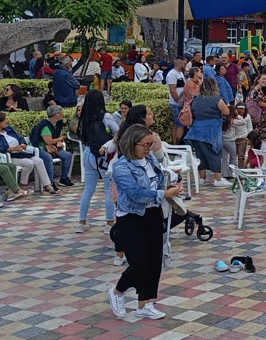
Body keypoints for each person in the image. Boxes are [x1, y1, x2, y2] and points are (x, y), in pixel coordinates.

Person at [108, 124, 184, 320]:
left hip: (152, 213)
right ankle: (118, 291)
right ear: (132, 144)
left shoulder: (150, 159)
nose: (149, 148)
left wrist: (172, 185)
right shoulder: (121, 167)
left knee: (154, 261)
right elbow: (136, 194)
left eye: (151, 144)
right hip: (131, 216)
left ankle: (145, 303)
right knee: (139, 263)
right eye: (145, 145)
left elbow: (158, 178)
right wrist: (165, 193)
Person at [0, 111, 55, 194]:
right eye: (4, 120)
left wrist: (22, 144)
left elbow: (20, 138)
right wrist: (12, 148)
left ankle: (48, 185)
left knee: (39, 161)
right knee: (29, 163)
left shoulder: (9, 129)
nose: (6, 122)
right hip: (8, 156)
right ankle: (23, 185)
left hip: (20, 153)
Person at [76, 90, 117, 233]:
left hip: (88, 153)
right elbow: (118, 133)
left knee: (88, 189)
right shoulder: (105, 116)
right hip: (102, 154)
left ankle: (81, 222)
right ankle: (109, 223)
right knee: (108, 189)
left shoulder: (84, 117)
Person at [187, 78, 231, 188]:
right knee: (214, 154)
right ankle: (218, 179)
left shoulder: (195, 99)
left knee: (200, 155)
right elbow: (226, 111)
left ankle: (202, 178)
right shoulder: (217, 99)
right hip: (212, 131)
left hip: (196, 131)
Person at [32, 105, 75, 187]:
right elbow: (48, 141)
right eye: (61, 112)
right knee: (48, 158)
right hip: (41, 148)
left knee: (67, 155)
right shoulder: (45, 125)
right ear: (57, 114)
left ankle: (64, 178)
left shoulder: (58, 124)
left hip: (54, 147)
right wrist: (60, 139)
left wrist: (59, 141)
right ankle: (50, 182)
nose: (63, 114)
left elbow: (56, 136)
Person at [222, 102, 252, 174]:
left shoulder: (224, 120)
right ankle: (232, 173)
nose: (240, 111)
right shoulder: (232, 120)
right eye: (238, 109)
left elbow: (249, 126)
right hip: (232, 140)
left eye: (242, 109)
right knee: (233, 157)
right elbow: (243, 122)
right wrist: (237, 116)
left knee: (228, 158)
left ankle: (227, 173)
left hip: (238, 138)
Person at [166, 57, 187, 140]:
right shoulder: (172, 74)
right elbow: (172, 90)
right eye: (184, 64)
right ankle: (178, 142)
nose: (185, 65)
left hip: (180, 102)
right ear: (179, 64)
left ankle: (175, 142)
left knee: (177, 124)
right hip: (176, 103)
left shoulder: (180, 73)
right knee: (179, 124)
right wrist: (179, 102)